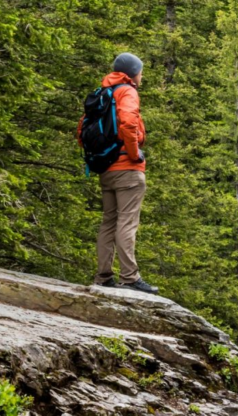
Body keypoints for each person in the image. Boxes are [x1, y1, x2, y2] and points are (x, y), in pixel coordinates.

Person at [77, 53, 159, 294]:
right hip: (127, 169)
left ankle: (103, 276)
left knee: (109, 221)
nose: (142, 75)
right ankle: (130, 277)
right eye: (140, 71)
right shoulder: (127, 91)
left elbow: (82, 130)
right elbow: (128, 123)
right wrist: (134, 154)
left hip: (106, 168)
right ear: (133, 72)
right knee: (127, 221)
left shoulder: (103, 93)